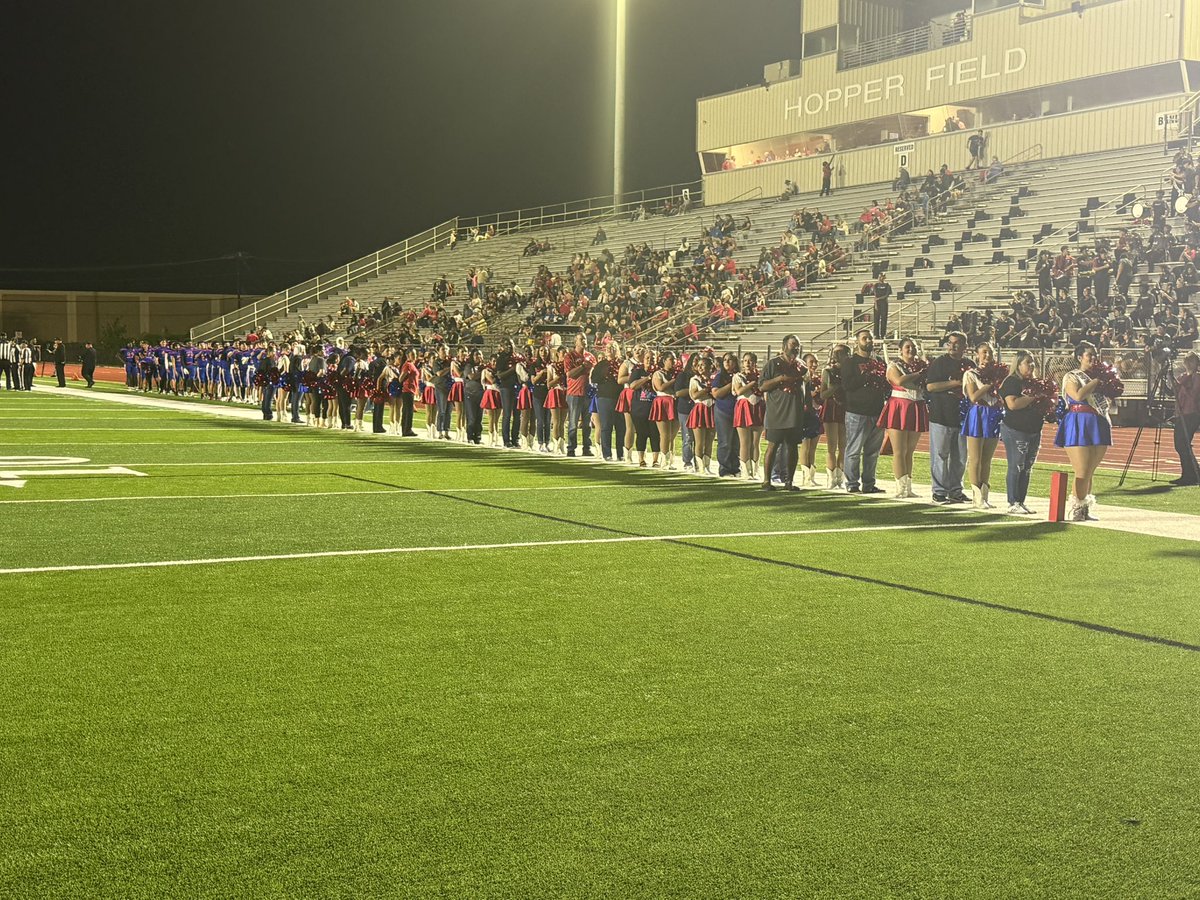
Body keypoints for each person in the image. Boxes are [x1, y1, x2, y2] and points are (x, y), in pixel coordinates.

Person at [1054, 341, 1114, 521]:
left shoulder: (1100, 378)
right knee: (1082, 470)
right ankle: (1077, 508)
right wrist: (1097, 380)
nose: (1093, 358)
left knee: (1090, 471)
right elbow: (1078, 395)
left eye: (1095, 354)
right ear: (1080, 357)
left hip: (1098, 422)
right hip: (1078, 421)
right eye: (1090, 355)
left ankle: (1085, 508)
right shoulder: (1072, 376)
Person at [878, 338, 928, 498]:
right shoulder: (894, 366)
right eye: (907, 347)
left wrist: (923, 372)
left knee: (909, 451)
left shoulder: (921, 365)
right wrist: (920, 374)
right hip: (898, 406)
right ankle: (900, 487)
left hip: (916, 406)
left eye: (913, 347)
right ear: (900, 350)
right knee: (899, 450)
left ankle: (909, 487)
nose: (911, 350)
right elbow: (899, 380)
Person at [840, 330, 888, 494]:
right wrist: (867, 375)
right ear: (857, 342)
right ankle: (852, 483)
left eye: (870, 338)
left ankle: (869, 483)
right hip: (857, 411)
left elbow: (886, 383)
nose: (868, 341)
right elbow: (847, 385)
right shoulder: (850, 362)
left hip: (877, 411)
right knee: (853, 450)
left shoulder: (880, 361)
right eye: (864, 338)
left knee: (872, 452)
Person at [925, 331, 971, 503]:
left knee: (960, 458)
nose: (952, 346)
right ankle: (939, 491)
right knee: (940, 455)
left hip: (962, 417)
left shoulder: (969, 364)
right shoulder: (940, 363)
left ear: (965, 346)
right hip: (941, 415)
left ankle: (956, 490)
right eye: (950, 343)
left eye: (957, 343)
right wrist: (956, 383)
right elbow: (930, 386)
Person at [999, 351, 1045, 513]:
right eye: (1027, 362)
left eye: (1032, 362)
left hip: (1033, 429)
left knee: (1027, 467)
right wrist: (1035, 397)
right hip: (1015, 429)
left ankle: (1021, 500)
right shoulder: (1012, 382)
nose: (1031, 365)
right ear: (1018, 365)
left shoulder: (1035, 382)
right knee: (1016, 466)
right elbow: (1012, 404)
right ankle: (1013, 502)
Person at [759, 335, 805, 492]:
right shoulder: (773, 364)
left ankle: (789, 481)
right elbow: (762, 386)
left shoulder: (801, 365)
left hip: (795, 413)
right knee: (773, 446)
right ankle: (766, 480)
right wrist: (780, 378)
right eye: (793, 344)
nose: (796, 348)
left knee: (793, 447)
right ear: (784, 345)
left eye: (798, 345)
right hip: (777, 412)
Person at [961, 342, 1004, 509]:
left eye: (990, 352)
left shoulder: (999, 375)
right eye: (984, 352)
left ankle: (985, 496)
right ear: (977, 354)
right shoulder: (971, 374)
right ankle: (976, 496)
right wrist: (989, 385)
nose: (987, 355)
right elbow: (973, 397)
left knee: (987, 459)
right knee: (975, 459)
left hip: (994, 414)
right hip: (978, 414)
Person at [820, 344, 848, 489]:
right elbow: (822, 394)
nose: (837, 356)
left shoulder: (849, 370)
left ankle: (840, 477)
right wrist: (834, 388)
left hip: (845, 408)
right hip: (831, 407)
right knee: (832, 445)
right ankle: (831, 478)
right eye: (835, 353)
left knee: (843, 446)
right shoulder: (828, 371)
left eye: (841, 353)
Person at [733, 353, 763, 482]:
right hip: (744, 406)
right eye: (745, 361)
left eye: (750, 361)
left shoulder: (761, 376)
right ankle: (745, 471)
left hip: (758, 406)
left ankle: (755, 470)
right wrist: (753, 383)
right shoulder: (738, 376)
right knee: (745, 442)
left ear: (755, 362)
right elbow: (739, 391)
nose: (747, 363)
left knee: (756, 442)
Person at [564, 333, 596, 457]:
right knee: (573, 422)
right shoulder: (570, 356)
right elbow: (570, 374)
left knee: (587, 423)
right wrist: (583, 366)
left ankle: (587, 447)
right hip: (574, 393)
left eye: (585, 338)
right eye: (581, 339)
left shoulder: (591, 356)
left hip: (588, 392)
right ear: (575, 342)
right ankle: (571, 448)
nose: (584, 340)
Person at [1171, 351, 1200, 486]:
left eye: (1192, 361)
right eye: (1187, 360)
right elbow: (1175, 393)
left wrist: (1185, 381)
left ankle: (1191, 474)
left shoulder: (1196, 377)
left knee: (1183, 444)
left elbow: (1194, 395)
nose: (1188, 363)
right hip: (1181, 413)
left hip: (1192, 413)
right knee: (1181, 445)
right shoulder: (1184, 377)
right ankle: (1191, 473)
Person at [593, 342, 625, 462]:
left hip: (619, 397)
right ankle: (607, 453)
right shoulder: (601, 364)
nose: (609, 350)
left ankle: (620, 453)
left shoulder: (622, 363)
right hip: (604, 397)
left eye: (613, 348)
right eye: (607, 348)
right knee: (606, 426)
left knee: (620, 426)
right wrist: (606, 373)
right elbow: (594, 379)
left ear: (617, 350)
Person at [688, 356, 717, 475]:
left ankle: (707, 466)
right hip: (700, 409)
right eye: (698, 365)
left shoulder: (715, 379)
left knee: (709, 441)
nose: (700, 367)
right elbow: (694, 395)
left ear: (710, 367)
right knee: (699, 441)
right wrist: (706, 390)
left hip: (712, 409)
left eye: (703, 365)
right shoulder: (694, 380)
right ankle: (700, 467)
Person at [650, 352, 680, 469]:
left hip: (674, 402)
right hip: (662, 402)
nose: (673, 362)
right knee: (665, 434)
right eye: (670, 359)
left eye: (674, 359)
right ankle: (664, 460)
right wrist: (674, 380)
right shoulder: (658, 373)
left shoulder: (676, 373)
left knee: (672, 435)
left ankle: (671, 461)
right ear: (664, 360)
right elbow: (660, 387)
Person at [495, 338, 521, 448]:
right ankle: (506, 440)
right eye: (506, 344)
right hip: (506, 387)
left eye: (511, 343)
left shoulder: (518, 357)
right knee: (507, 414)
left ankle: (515, 439)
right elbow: (499, 375)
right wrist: (513, 370)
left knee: (517, 415)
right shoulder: (501, 358)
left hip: (517, 387)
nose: (509, 346)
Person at [873, 274, 892, 339]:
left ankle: (883, 334)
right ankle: (876, 335)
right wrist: (876, 304)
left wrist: (879, 298)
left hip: (884, 303)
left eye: (881, 277)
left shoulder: (887, 285)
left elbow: (886, 295)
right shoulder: (875, 285)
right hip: (877, 303)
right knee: (876, 319)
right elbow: (875, 295)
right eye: (879, 277)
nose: (880, 278)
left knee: (884, 319)